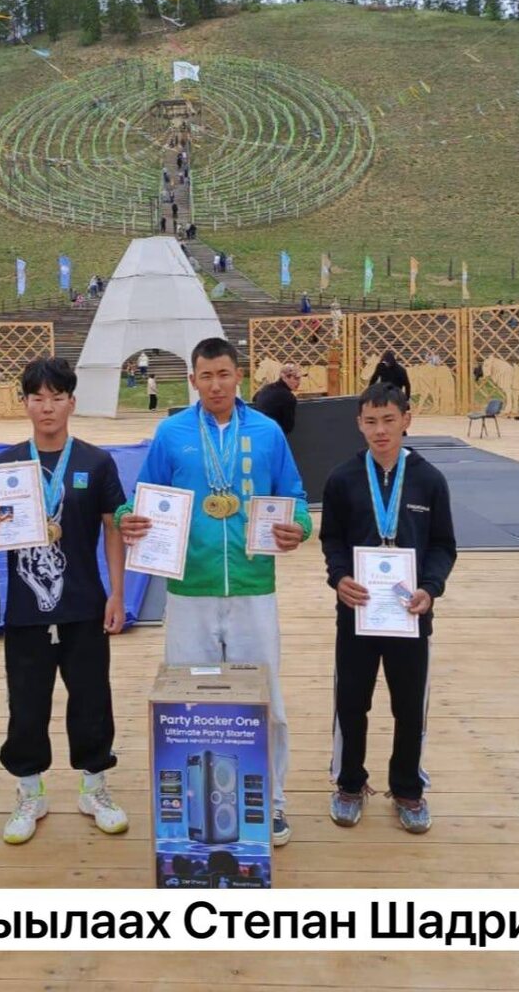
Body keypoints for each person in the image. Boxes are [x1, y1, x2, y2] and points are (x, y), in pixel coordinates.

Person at [116, 338, 312, 845]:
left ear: (238, 375)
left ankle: (272, 803)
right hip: (189, 589)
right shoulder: (172, 432)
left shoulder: (266, 431)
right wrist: (126, 517)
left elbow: (294, 497)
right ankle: (191, 804)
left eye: (224, 374)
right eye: (206, 376)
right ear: (193, 381)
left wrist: (301, 526)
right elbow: (142, 497)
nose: (216, 385)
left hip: (252, 586)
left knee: (265, 698)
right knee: (186, 701)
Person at [0, 358, 129, 844]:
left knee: (92, 699)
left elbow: (113, 527)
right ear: (24, 404)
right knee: (26, 703)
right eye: (37, 397)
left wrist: (117, 593)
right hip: (25, 611)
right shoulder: (5, 466)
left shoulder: (96, 462)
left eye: (57, 397)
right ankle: (29, 791)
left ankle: (94, 788)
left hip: (84, 604)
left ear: (72, 403)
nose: (47, 407)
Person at [319, 384, 456, 835]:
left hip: (410, 614)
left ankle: (408, 789)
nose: (380, 430)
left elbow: (443, 545)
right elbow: (331, 538)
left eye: (389, 420)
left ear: (406, 420)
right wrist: (339, 577)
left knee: (409, 707)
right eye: (371, 421)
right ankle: (349, 784)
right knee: (351, 702)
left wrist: (430, 589)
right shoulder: (342, 478)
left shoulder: (429, 479)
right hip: (357, 613)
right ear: (359, 424)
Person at [253, 362, 302, 435]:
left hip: (256, 431)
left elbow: (254, 398)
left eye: (299, 378)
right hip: (272, 434)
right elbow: (288, 427)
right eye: (296, 378)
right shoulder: (288, 397)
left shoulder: (266, 388)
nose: (299, 382)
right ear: (285, 377)